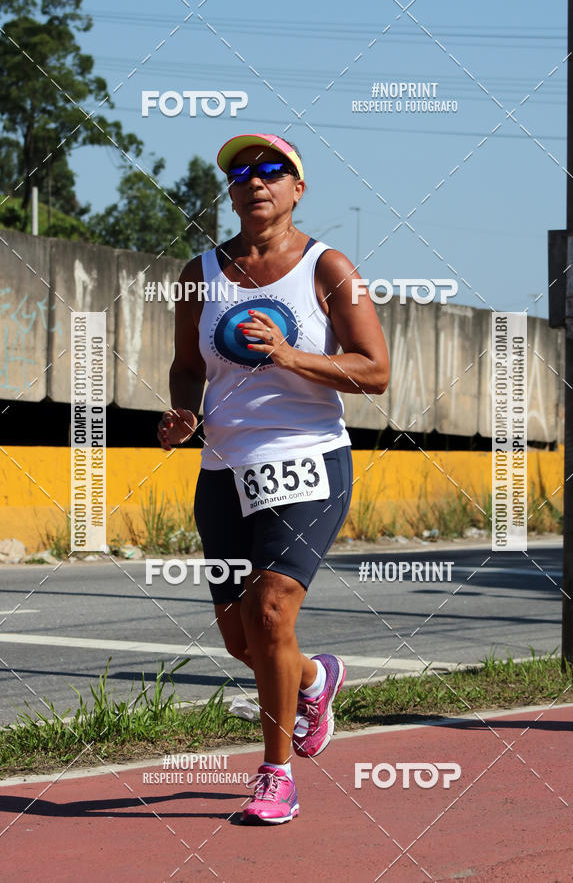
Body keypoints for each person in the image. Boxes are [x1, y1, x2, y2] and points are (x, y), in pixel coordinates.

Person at [157, 133, 389, 824]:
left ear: (297, 188)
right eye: (241, 173)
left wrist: (290, 356)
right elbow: (187, 368)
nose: (255, 180)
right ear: (230, 193)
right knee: (242, 641)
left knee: (269, 616)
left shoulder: (327, 267)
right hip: (224, 469)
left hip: (308, 461)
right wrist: (184, 413)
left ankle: (275, 775)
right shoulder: (199, 272)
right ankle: (314, 677)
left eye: (272, 170)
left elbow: (375, 370)